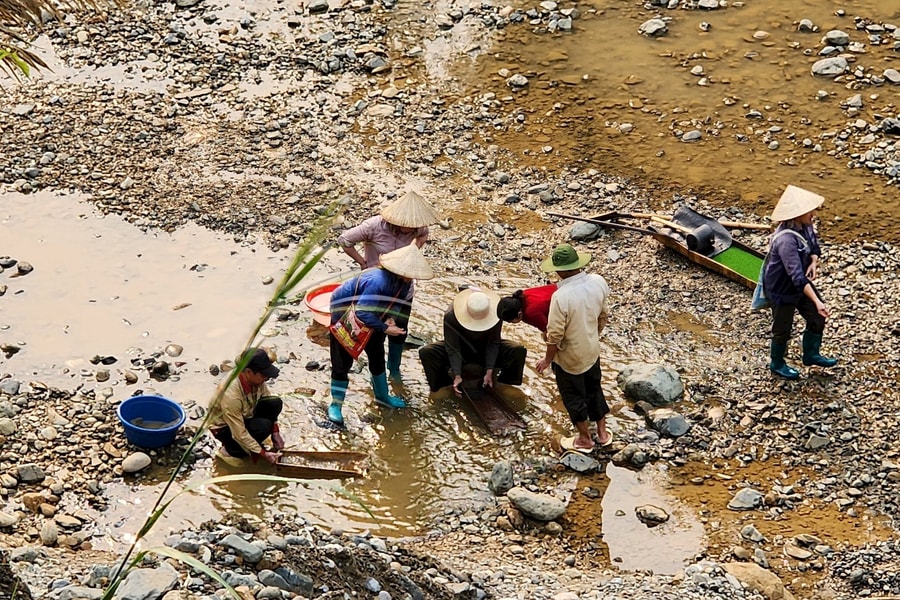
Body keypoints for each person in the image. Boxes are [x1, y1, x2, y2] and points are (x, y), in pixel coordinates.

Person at [337, 190, 441, 383]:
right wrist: (363, 263)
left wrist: (414, 249)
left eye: (413, 227)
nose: (409, 230)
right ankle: (376, 373)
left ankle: (394, 368)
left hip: (403, 290)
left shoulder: (419, 228)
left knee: (400, 331)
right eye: (406, 227)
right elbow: (344, 240)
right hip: (377, 289)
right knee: (374, 332)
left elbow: (424, 234)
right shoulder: (374, 226)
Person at [328, 241, 434, 425]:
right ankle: (336, 405)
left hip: (374, 315)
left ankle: (382, 396)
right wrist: (385, 328)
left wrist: (389, 320)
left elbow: (394, 305)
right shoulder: (378, 281)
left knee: (377, 356)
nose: (412, 278)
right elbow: (361, 312)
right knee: (341, 363)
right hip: (346, 314)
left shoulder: (405, 285)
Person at [535, 243, 612, 453]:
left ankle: (585, 439)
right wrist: (594, 336)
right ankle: (603, 435)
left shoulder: (561, 296)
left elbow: (555, 336)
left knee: (573, 396)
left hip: (569, 358)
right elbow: (603, 315)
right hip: (592, 349)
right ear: (578, 264)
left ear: (559, 271)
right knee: (595, 388)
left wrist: (547, 360)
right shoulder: (598, 281)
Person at [763, 185, 837, 380]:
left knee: (817, 317)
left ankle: (811, 354)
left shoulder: (806, 225)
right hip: (781, 289)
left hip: (799, 283)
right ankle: (777, 362)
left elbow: (813, 246)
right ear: (796, 215)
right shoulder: (786, 240)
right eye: (809, 211)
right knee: (782, 329)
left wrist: (813, 261)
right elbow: (796, 277)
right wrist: (818, 301)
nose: (813, 214)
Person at [419, 287, 527, 397]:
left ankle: (505, 383)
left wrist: (489, 370)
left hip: (483, 349)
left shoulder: (496, 313)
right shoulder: (451, 315)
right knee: (427, 352)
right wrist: (457, 375)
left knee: (517, 349)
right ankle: (443, 386)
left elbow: (493, 343)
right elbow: (453, 347)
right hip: (462, 349)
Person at [208, 347, 285, 466]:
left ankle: (252, 442)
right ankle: (230, 450)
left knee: (274, 403)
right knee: (263, 426)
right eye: (263, 375)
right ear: (249, 372)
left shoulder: (257, 380)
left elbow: (267, 403)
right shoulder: (231, 394)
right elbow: (238, 432)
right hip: (225, 427)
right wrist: (263, 453)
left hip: (245, 413)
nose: (266, 378)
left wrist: (275, 432)